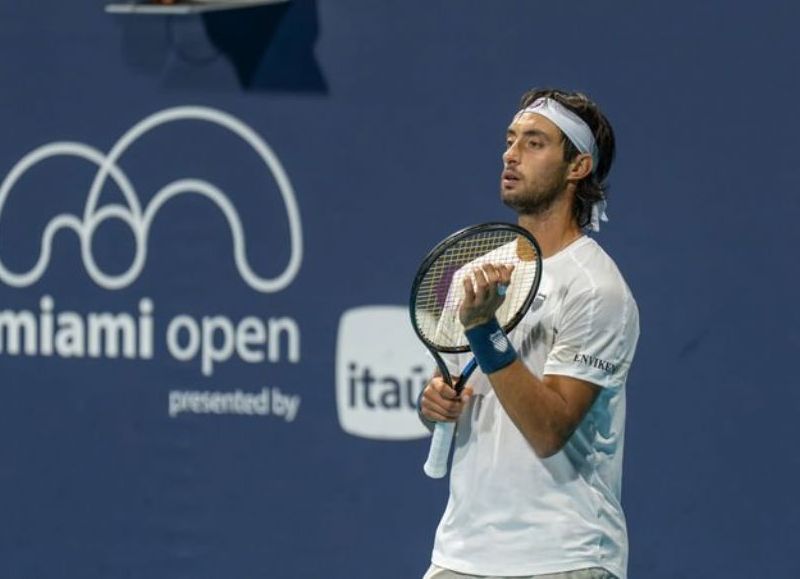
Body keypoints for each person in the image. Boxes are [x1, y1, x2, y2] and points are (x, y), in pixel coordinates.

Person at [419, 88, 640, 579]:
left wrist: (484, 331)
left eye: (534, 143)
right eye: (510, 139)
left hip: (564, 557)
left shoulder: (597, 289)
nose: (510, 154)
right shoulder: (475, 273)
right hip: (461, 553)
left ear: (577, 166)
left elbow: (549, 430)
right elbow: (458, 396)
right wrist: (434, 405)